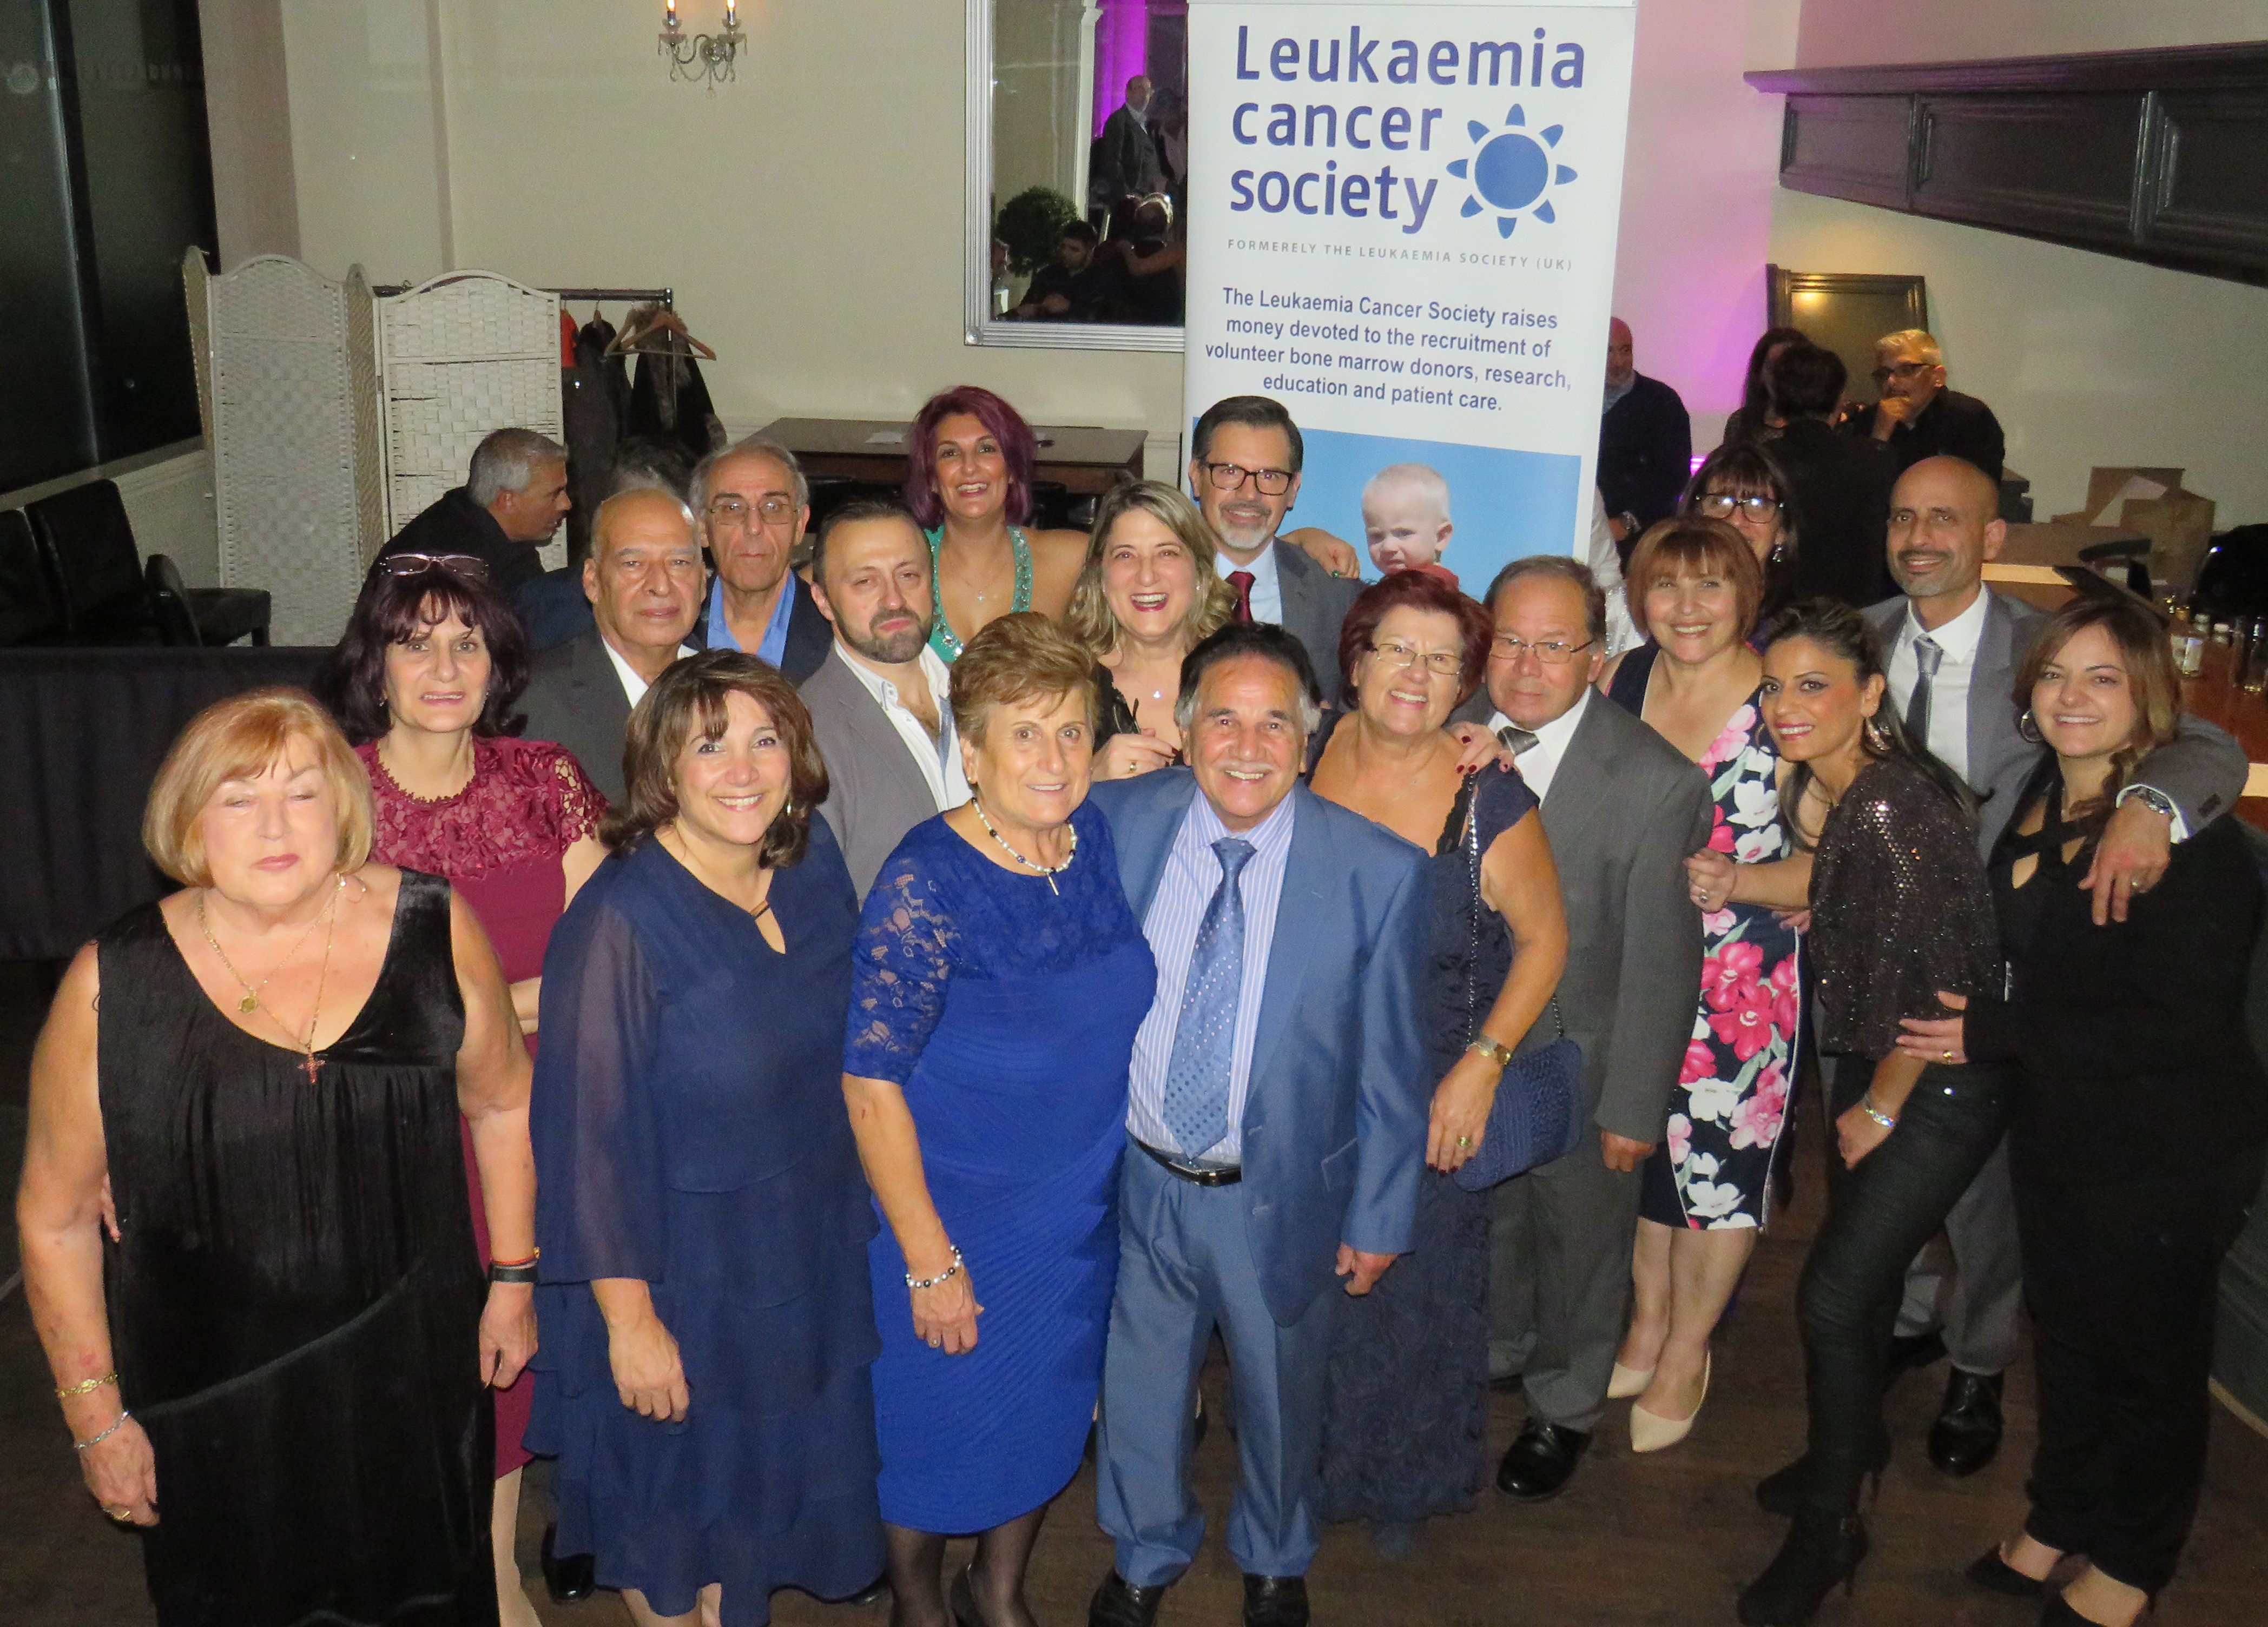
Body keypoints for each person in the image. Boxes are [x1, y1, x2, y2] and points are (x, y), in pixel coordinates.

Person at [17, 689, 535, 1625]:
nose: (274, 826)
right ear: (188, 819)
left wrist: (513, 1278)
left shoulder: (433, 926)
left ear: (342, 807)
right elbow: (53, 1219)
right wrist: (95, 1415)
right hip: (217, 1401)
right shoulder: (113, 982)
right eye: (238, 798)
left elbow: (502, 1101)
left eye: (301, 793)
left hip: (412, 1373)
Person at [1862, 456, 2248, 1480]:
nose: (1920, 538)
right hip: (1875, 964)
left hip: (2011, 988)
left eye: (1945, 518)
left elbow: (2203, 741)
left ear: (1993, 537)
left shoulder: (2050, 647)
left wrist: (2150, 804)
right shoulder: (1856, 637)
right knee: (1885, 1170)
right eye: (1903, 517)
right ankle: (1908, 1320)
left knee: (1992, 1196)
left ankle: (1978, 1362)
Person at [1895, 598, 2268, 1627]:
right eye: (2057, 673)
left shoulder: (2185, 844)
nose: (2072, 697)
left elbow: (2175, 1031)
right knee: (2063, 1333)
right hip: (2064, 1122)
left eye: (2103, 678)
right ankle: (2060, 1515)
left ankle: (2135, 1558)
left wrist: (1996, 1032)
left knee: (2146, 1360)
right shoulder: (2033, 792)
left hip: (2169, 1144)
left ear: (2148, 696)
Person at [528, 651, 887, 1627]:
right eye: (710, 745)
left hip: (798, 1254)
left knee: (752, 1523)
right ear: (663, 769)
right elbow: (586, 1148)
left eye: (765, 740)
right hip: (678, 1277)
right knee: (676, 1535)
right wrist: (631, 1326)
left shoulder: (810, 866)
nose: (743, 769)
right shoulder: (618, 921)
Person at [1083, 621, 1429, 1627]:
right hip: (1137, 1176)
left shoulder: (1376, 871)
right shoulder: (1113, 820)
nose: (1246, 746)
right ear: (1186, 730)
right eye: (1223, 720)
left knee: (1282, 1394)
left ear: (1310, 735)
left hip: (1276, 1192)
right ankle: (1145, 1547)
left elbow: (1393, 1064)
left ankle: (1276, 1553)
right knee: (1140, 1387)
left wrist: (1380, 1214)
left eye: (1273, 723)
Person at [842, 613, 1156, 1627]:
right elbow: (870, 1085)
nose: (1053, 757)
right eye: (1023, 733)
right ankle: (918, 1604)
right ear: (971, 752)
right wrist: (928, 1260)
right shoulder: (925, 879)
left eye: (1071, 730)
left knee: (1040, 1411)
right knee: (935, 1427)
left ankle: (1000, 1589)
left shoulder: (1093, 840)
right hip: (955, 1216)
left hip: (1075, 1216)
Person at [313, 552, 608, 1626]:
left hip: (545, 1121)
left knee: (515, 1356)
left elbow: (606, 965)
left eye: (466, 643)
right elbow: (317, 993)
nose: (443, 667)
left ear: (497, 661)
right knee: (418, 1368)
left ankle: (494, 1571)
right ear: (376, 663)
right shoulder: (331, 793)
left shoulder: (547, 778)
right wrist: (509, 1008)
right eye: (415, 643)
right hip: (390, 1132)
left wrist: (456, 1012)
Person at [1733, 599, 2009, 1627]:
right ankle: (1842, 1453)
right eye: (1775, 686)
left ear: (1870, 693)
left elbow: (1950, 981)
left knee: (1834, 1300)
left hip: (1929, 1084)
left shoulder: (1892, 801)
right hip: (1878, 1066)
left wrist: (1882, 1108)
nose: (1786, 705)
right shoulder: (1853, 792)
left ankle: (1833, 1526)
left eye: (1813, 685)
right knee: (1861, 1286)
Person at [1308, 573, 1567, 1558]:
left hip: (1429, 1089)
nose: (1416, 674)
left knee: (1412, 1297)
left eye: (1442, 659)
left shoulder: (1486, 795)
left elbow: (1546, 941)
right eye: (1398, 650)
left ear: (1464, 683)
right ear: (1357, 660)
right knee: (1311, 1288)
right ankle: (1309, 1464)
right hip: (1311, 1075)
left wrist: (1482, 1065)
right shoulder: (1306, 748)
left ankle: (1401, 1488)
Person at [1478, 555, 1712, 1504]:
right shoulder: (1449, 733)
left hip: (1584, 1060)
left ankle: (1564, 1407)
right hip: (1470, 1054)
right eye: (1509, 640)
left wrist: (1633, 1108)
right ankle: (1497, 1350)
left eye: (1554, 645)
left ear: (1597, 655)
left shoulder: (1656, 782)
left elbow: (1663, 961)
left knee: (1580, 1246)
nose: (1527, 666)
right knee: (1494, 1226)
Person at [1598, 520, 1801, 1454]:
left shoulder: (1784, 694)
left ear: (1746, 596)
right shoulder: (1620, 680)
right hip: (1628, 962)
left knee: (1718, 1170)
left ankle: (1687, 1350)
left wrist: (1750, 880)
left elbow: (1848, 851)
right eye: (1667, 585)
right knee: (1643, 1156)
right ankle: (1646, 1326)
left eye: (1711, 585)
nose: (1687, 606)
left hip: (1741, 983)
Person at [800, 501, 971, 899]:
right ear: (823, 600)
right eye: (865, 582)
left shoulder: (989, 694)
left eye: (908, 575)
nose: (894, 599)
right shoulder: (802, 729)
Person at [519, 488, 706, 805]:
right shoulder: (533, 703)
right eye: (633, 564)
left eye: (679, 562)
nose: (660, 585)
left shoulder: (735, 693)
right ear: (593, 582)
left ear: (702, 581)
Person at [1187, 395, 1364, 698]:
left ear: (1293, 490)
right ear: (1196, 477)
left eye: (1270, 476)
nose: (1249, 494)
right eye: (1230, 471)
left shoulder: (1336, 596)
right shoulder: (1156, 583)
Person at [1066, 479, 1236, 782]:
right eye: (1125, 555)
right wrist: (1088, 778)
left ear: (1199, 572)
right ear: (1101, 576)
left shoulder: (1246, 674)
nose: (1146, 576)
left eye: (1167, 553)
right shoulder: (1064, 684)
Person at [904, 386, 1090, 660]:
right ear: (932, 478)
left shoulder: (1072, 557)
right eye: (950, 454)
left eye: (987, 449)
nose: (969, 467)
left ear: (1012, 469)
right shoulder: (900, 565)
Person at [1763, 341, 1896, 609]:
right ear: (1840, 399)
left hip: (1780, 610)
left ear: (1777, 397)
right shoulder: (1876, 459)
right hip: (1863, 611)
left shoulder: (1759, 461)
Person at [688, 436, 834, 680]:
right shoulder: (672, 631)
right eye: (732, 508)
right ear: (702, 527)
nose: (754, 528)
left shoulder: (838, 633)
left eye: (773, 507)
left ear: (800, 524)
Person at [378, 426, 571, 599]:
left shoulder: (468, 516)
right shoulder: (459, 566)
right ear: (508, 500)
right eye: (554, 494)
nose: (566, 504)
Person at [1845, 329, 2006, 482]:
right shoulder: (1869, 420)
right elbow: (1858, 491)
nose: (1891, 381)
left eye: (1906, 370)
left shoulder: (1968, 417)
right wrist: (1880, 436)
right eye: (1884, 374)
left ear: (1938, 376)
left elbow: (1980, 490)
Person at [1681, 441, 1802, 630]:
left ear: (1781, 531)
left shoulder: (1800, 629)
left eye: (1758, 505)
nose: (1736, 521)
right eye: (1720, 502)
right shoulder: (1667, 608)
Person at [1598, 319, 1693, 544]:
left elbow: (1673, 477)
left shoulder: (1662, 401)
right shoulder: (1571, 401)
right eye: (1608, 351)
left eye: (1625, 350)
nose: (1618, 362)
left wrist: (1628, 521)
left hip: (1646, 538)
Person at [1007, 221, 1123, 322]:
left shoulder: (1104, 279)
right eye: (1063, 247)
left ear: (1090, 251)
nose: (1066, 253)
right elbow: (1024, 308)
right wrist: (1029, 310)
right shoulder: (1047, 275)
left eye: (1074, 250)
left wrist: (1070, 308)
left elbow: (1110, 317)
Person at [1361, 464, 1457, 584]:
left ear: (1440, 537)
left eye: (1404, 533)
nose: (1388, 547)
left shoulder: (1425, 591)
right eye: (1377, 536)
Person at [1720, 325, 1809, 449]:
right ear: (1759, 372)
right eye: (1773, 366)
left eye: (1789, 367)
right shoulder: (1741, 423)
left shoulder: (1820, 423)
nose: (1780, 374)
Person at [1093, 74, 1166, 215]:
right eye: (1140, 89)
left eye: (1148, 90)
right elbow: (1112, 161)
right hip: (1129, 202)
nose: (1145, 94)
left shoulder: (1149, 125)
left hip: (1147, 198)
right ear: (1128, 93)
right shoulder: (1118, 121)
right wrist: (1127, 196)